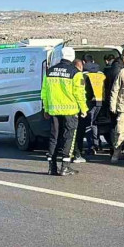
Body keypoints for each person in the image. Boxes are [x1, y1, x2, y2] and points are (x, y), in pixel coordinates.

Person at [41, 46, 87, 176]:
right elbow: (79, 93)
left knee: (54, 137)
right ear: (72, 57)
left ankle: (52, 167)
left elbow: (44, 92)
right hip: (70, 110)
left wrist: (46, 108)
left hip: (53, 110)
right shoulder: (76, 73)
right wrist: (83, 109)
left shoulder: (50, 71)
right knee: (69, 137)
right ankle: (65, 167)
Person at [103, 48, 124, 154]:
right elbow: (116, 88)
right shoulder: (117, 68)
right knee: (116, 126)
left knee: (122, 126)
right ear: (121, 56)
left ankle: (121, 147)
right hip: (118, 102)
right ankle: (115, 148)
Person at [78, 54, 106, 156]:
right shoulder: (100, 72)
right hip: (101, 101)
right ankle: (97, 144)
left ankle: (91, 147)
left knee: (88, 124)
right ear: (93, 61)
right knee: (94, 123)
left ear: (84, 62)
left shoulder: (83, 74)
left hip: (89, 101)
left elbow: (81, 88)